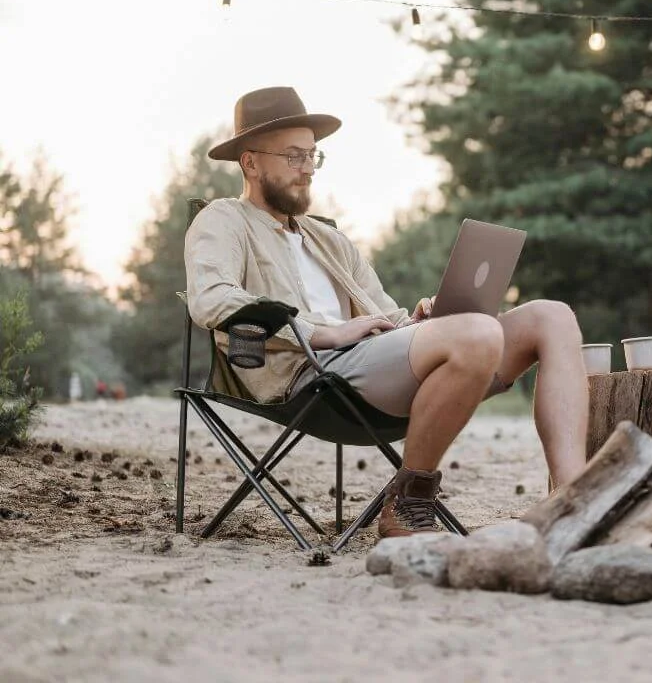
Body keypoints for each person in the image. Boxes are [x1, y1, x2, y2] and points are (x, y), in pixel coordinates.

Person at [185, 87, 589, 541]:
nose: (306, 170)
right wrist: (324, 334)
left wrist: (420, 323)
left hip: (372, 364)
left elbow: (385, 317)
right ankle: (409, 502)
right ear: (251, 162)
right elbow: (211, 299)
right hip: (314, 377)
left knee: (550, 317)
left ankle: (573, 499)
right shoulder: (224, 220)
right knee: (476, 334)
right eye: (293, 156)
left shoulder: (328, 240)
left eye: (312, 157)